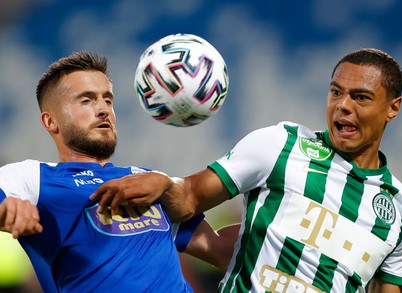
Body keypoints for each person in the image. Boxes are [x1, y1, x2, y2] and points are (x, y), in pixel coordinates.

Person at [91, 48, 402, 293]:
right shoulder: (280, 145)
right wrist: (164, 185)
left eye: (361, 97)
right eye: (336, 92)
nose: (343, 106)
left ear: (393, 107)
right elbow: (191, 195)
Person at [0, 51, 238, 292]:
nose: (104, 110)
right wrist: (8, 209)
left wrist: (276, 202)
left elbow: (220, 249)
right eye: (87, 100)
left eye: (108, 100)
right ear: (51, 121)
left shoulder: (146, 180)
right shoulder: (33, 178)